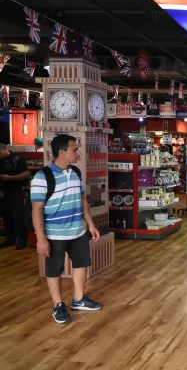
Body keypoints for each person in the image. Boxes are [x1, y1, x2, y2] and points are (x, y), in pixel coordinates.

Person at [31, 134, 103, 324]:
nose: (78, 153)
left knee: (81, 264)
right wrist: (41, 238)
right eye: (74, 150)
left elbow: (82, 200)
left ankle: (79, 299)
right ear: (61, 152)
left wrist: (91, 224)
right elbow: (36, 209)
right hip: (54, 234)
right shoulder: (42, 177)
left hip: (77, 231)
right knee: (54, 270)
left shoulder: (76, 172)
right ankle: (58, 305)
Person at [0, 144, 30, 249]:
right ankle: (10, 238)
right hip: (3, 191)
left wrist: (9, 178)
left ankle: (21, 238)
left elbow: (26, 174)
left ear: (5, 149)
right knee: (6, 215)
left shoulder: (17, 158)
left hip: (15, 190)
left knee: (18, 215)